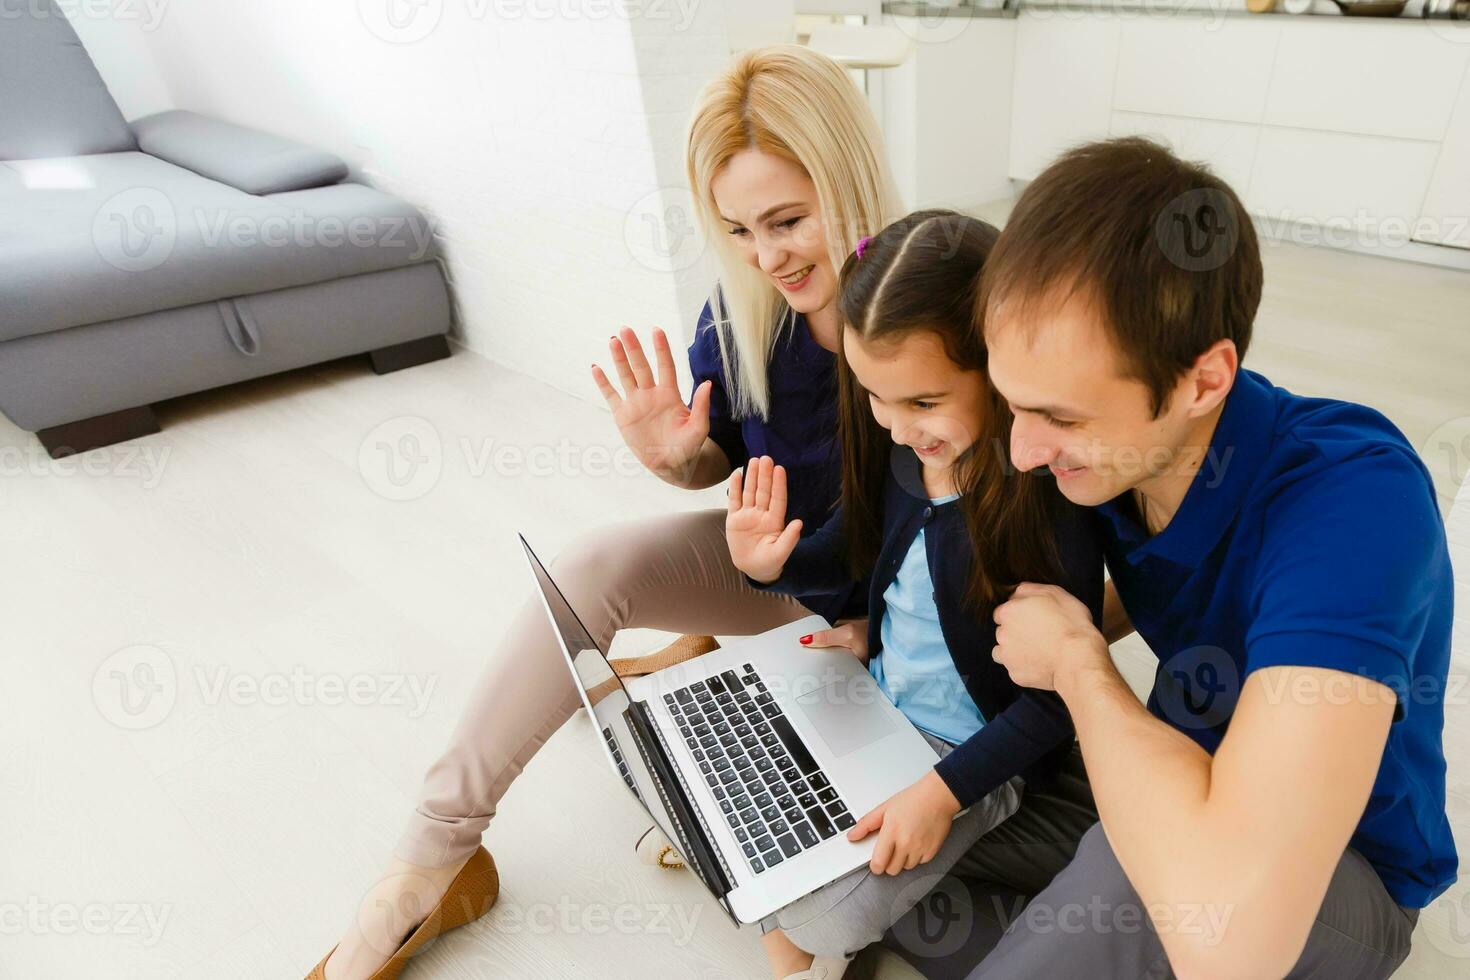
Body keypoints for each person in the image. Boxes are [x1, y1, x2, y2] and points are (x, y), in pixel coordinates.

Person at [306, 44, 901, 980]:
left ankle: (706, 683)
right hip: (787, 574)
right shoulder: (747, 310)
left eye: (789, 220)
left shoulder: (932, 299)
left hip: (902, 613)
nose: (768, 255)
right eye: (739, 230)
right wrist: (678, 460)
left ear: (853, 186)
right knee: (589, 569)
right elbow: (726, 468)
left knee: (801, 884)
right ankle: (425, 864)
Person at [976, 136, 1458, 978]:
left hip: (1346, 874)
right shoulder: (1119, 458)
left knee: (1139, 889)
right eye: (1014, 405)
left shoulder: (1355, 502)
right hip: (1184, 752)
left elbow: (1235, 946)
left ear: (1204, 381)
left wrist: (1084, 667)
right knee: (925, 808)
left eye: (1063, 418)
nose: (1023, 452)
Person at [725, 210, 1104, 980]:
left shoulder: (1046, 506)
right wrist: (771, 566)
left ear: (998, 370)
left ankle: (789, 930)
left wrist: (942, 792)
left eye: (924, 403)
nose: (897, 428)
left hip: (966, 758)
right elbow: (853, 559)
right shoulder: (905, 460)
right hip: (876, 708)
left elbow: (1058, 700)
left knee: (819, 919)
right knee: (739, 801)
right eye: (875, 398)